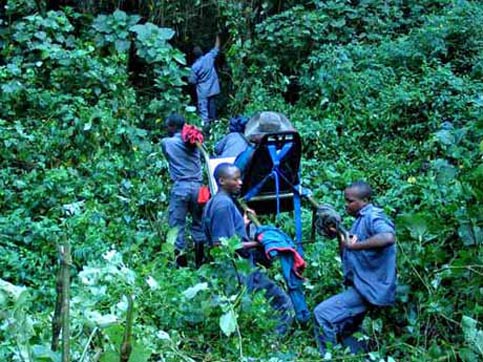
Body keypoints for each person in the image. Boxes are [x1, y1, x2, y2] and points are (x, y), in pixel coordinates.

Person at [203, 163, 294, 335]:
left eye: (240, 178)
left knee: (249, 306)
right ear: (222, 181)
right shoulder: (223, 205)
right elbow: (220, 245)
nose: (240, 183)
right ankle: (274, 342)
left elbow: (229, 233)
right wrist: (259, 244)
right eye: (235, 179)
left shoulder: (220, 201)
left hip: (241, 266)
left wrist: (242, 224)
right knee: (280, 302)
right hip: (235, 268)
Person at [314, 181, 397, 355]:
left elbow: (388, 237)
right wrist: (338, 235)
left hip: (369, 290)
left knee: (322, 315)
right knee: (347, 331)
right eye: (345, 200)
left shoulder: (373, 216)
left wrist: (354, 247)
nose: (346, 205)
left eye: (350, 201)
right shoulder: (359, 220)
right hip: (361, 286)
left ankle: (327, 357)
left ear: (365, 200)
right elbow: (348, 252)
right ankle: (355, 355)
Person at [161, 113, 205, 267]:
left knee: (177, 226)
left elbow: (169, 156)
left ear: (172, 127)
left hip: (181, 187)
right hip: (199, 187)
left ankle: (182, 267)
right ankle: (201, 263)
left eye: (168, 126)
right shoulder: (195, 142)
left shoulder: (167, 142)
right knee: (199, 224)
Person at [189, 35, 221, 130]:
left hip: (202, 90)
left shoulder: (195, 67)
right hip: (213, 88)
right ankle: (214, 125)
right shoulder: (209, 57)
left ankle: (205, 128)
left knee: (203, 109)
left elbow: (192, 81)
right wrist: (217, 36)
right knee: (212, 106)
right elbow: (216, 47)